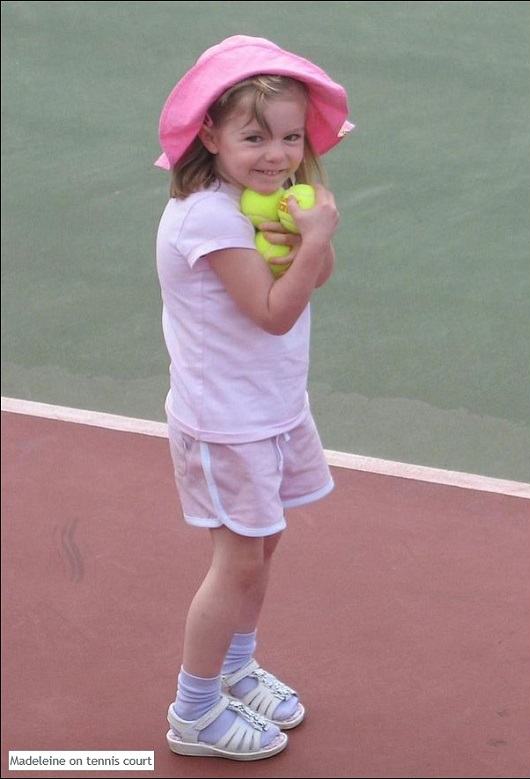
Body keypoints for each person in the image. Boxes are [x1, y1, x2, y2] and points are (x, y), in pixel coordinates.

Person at [154, 35, 353, 761]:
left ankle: (235, 668)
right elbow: (274, 310)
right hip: (224, 422)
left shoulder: (261, 201)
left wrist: (312, 236)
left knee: (264, 542)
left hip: (271, 407)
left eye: (291, 137)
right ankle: (196, 709)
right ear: (209, 132)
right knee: (236, 558)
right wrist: (311, 243)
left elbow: (316, 278)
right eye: (254, 136)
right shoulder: (210, 217)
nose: (277, 153)